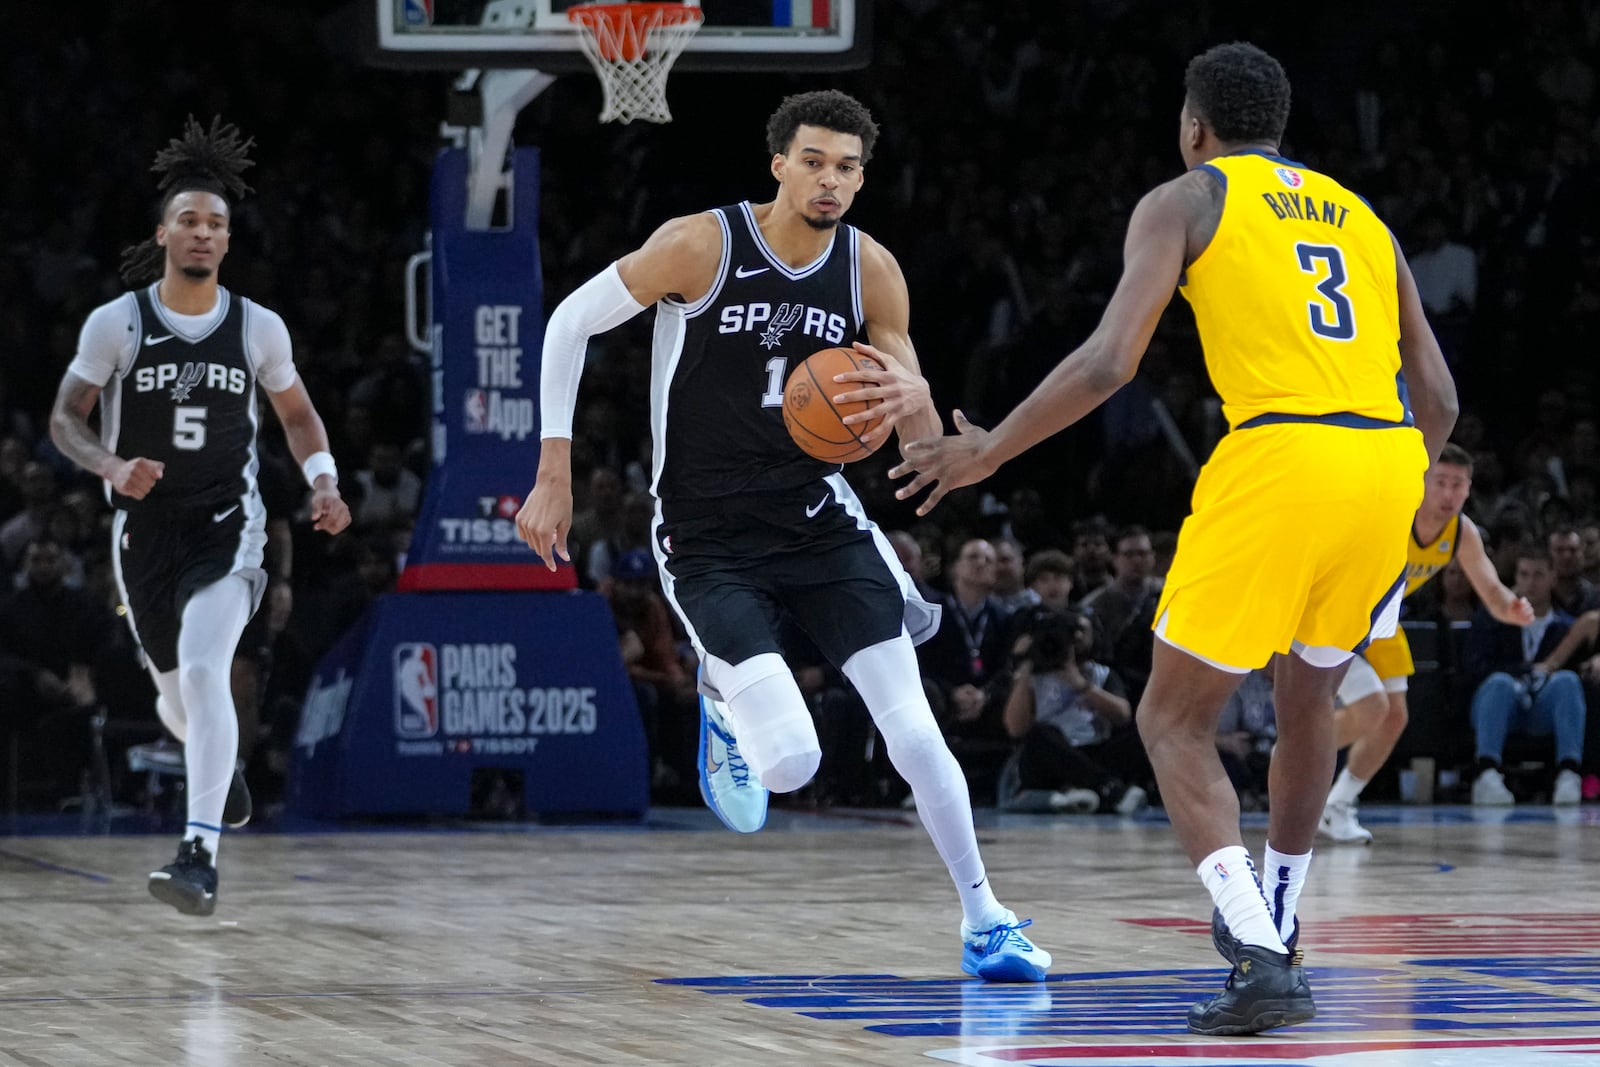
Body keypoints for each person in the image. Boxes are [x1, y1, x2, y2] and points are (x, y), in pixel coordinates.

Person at [889, 43, 1457, 1032]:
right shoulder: (1364, 220)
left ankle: (1254, 942)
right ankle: (1278, 931)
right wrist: (1405, 501)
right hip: (1387, 461)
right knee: (1309, 689)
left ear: (1194, 125)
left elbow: (1110, 359)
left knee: (1170, 717)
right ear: (1278, 124)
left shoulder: (1184, 199)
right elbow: (1440, 396)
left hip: (1280, 455)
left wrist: (986, 451)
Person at [515, 90, 1050, 982]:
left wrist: (924, 416)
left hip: (816, 520)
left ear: (862, 177)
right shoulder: (702, 244)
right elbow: (570, 321)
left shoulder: (870, 270)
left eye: (846, 166)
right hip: (706, 533)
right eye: (814, 160)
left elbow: (911, 433)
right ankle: (722, 699)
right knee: (794, 762)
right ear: (778, 163)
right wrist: (554, 468)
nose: (830, 179)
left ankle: (985, 916)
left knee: (916, 734)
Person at [48, 117, 351, 915]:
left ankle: (198, 852)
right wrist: (110, 463)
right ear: (164, 232)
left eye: (216, 222)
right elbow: (63, 420)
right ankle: (227, 774)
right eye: (189, 218)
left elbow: (299, 418)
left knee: (209, 664)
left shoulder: (258, 326)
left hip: (227, 524)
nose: (203, 232)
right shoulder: (117, 322)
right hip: (142, 533)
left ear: (227, 241)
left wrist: (323, 483)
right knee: (176, 704)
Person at [1321, 444, 1533, 843]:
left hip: (1379, 623)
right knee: (1372, 709)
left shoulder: (1462, 533)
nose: (1450, 493)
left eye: (1459, 484)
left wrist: (1514, 609)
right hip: (1337, 615)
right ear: (1422, 482)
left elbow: (1491, 590)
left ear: (1469, 489)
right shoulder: (1393, 513)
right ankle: (1297, 753)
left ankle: (1336, 804)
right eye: (1442, 482)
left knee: (1394, 717)